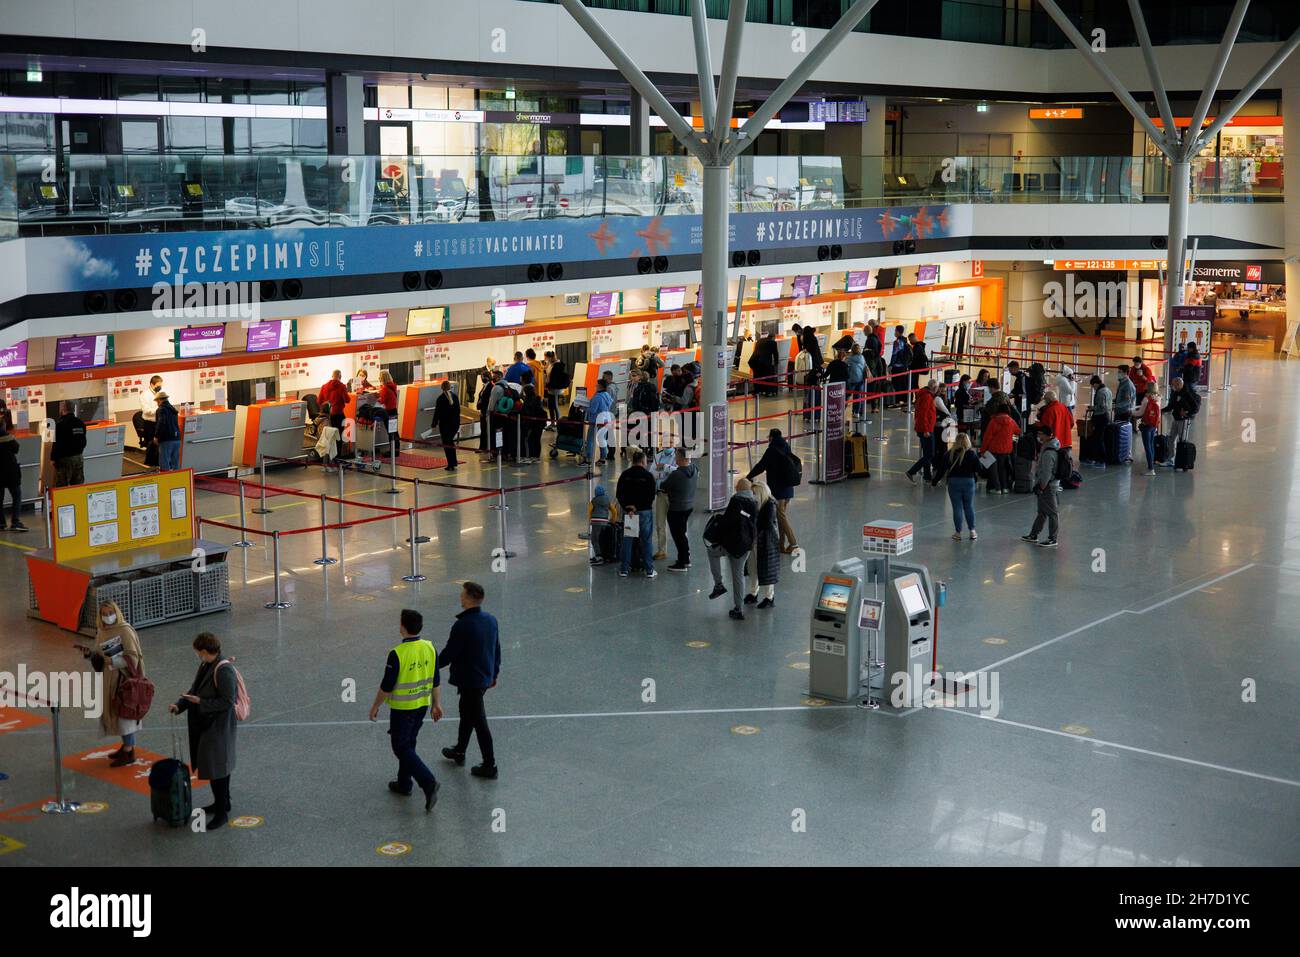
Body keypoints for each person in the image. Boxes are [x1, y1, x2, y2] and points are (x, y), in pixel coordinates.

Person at [368, 609, 441, 810]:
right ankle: (404, 783)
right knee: (409, 743)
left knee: (400, 747)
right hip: (421, 705)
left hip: (403, 708)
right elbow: (435, 679)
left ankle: (428, 781)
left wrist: (375, 706)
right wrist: (436, 703)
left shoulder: (397, 654)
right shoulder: (430, 647)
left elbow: (387, 685)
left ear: (403, 626)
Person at [168, 632, 239, 830]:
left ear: (207, 651)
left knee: (218, 768)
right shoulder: (206, 664)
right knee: (216, 766)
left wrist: (202, 702)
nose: (198, 656)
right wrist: (179, 705)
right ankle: (221, 803)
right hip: (208, 723)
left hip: (218, 726)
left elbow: (228, 701)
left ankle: (222, 811)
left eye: (199, 652)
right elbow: (195, 689)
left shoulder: (224, 670)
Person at [438, 582, 501, 780]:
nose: (460, 597)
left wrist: (429, 666)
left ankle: (489, 764)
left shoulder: (462, 625)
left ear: (468, 598)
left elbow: (449, 654)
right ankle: (460, 750)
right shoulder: (491, 620)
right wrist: (494, 675)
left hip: (470, 680)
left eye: (462, 594)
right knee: (467, 713)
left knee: (479, 721)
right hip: (484, 677)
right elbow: (496, 650)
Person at [84, 600, 145, 767]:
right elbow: (98, 652)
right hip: (108, 679)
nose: (107, 617)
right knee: (116, 713)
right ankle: (126, 745)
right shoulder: (102, 631)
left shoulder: (125, 630)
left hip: (123, 680)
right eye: (104, 614)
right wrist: (91, 655)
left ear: (116, 612)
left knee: (125, 714)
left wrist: (112, 661)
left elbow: (133, 657)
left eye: (110, 613)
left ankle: (129, 750)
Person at [704, 478, 757, 620]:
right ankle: (738, 609)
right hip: (746, 546)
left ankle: (718, 584)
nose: (734, 487)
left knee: (711, 551)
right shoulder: (754, 503)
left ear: (739, 488)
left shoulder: (736, 501)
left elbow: (727, 522)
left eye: (736, 486)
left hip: (731, 544)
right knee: (738, 576)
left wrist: (717, 530)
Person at [747, 429, 799, 554]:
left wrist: (748, 476)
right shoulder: (786, 446)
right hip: (788, 488)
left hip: (778, 489)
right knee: (780, 517)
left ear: (771, 437)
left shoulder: (771, 450)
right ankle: (781, 545)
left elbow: (761, 466)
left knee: (781, 516)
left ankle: (794, 543)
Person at [615, 450, 657, 579]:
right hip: (644, 512)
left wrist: (629, 509)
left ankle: (624, 569)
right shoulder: (648, 476)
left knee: (628, 540)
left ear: (632, 461)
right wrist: (638, 507)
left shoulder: (625, 475)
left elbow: (619, 495)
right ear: (643, 461)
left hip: (630, 514)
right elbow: (650, 496)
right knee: (646, 540)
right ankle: (649, 570)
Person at [1021, 424, 1061, 548]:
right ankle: (1034, 534)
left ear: (1047, 436)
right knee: (1042, 512)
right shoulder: (1048, 447)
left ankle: (1052, 538)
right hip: (1045, 485)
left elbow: (1046, 472)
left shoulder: (1049, 453)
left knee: (1052, 513)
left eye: (1040, 434)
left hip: (1048, 486)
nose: (1038, 436)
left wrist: (1042, 486)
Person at [744, 480, 781, 609]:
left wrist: (751, 517)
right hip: (755, 541)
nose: (752, 495)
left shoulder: (770, 505)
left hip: (766, 543)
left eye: (754, 493)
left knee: (766, 570)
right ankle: (753, 593)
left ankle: (769, 597)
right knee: (752, 568)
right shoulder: (758, 504)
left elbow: (765, 524)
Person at [938, 433, 980, 540]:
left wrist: (934, 482)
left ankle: (958, 533)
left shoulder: (949, 454)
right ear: (968, 441)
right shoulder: (972, 454)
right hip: (969, 482)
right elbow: (979, 469)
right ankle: (972, 531)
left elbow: (941, 470)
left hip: (953, 482)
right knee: (969, 506)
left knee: (957, 508)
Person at [660, 447, 697, 571]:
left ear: (681, 458)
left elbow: (663, 486)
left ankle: (682, 562)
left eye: (676, 456)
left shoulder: (676, 474)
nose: (675, 458)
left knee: (678, 536)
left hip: (676, 508)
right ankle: (686, 558)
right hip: (688, 506)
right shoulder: (694, 470)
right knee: (682, 534)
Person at [979, 398, 1021, 494]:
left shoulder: (993, 421)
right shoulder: (1011, 421)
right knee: (1003, 469)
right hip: (1006, 449)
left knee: (993, 470)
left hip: (994, 449)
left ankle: (997, 488)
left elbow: (987, 437)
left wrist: (982, 450)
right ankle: (1005, 487)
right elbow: (1018, 431)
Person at [1160, 376, 1200, 470]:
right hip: (1176, 419)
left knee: (1182, 441)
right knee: (1171, 439)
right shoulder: (1175, 393)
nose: (1172, 386)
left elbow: (1196, 408)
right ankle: (1171, 460)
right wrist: (1161, 410)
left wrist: (1187, 413)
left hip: (1184, 420)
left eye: (1173, 385)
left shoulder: (1187, 393)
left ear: (1178, 385)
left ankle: (1182, 462)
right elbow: (1171, 405)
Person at [906, 380, 940, 484]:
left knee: (926, 453)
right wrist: (926, 430)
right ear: (934, 388)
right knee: (930, 454)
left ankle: (927, 476)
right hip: (926, 429)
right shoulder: (927, 397)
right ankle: (912, 471)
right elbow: (923, 414)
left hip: (926, 428)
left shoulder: (924, 394)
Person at [1036, 387, 1075, 473]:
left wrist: (1037, 424)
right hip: (1067, 441)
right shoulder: (1064, 407)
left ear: (1048, 400)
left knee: (1053, 467)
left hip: (1055, 443)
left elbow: (1046, 428)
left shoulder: (1049, 411)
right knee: (1065, 465)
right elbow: (1072, 422)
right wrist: (1065, 430)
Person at [52, 402, 87, 487]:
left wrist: (53, 458)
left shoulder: (60, 425)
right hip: (79, 457)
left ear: (64, 409)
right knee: (78, 485)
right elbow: (83, 441)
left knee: (61, 486)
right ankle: (78, 499)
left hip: (65, 459)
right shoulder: (81, 423)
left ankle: (64, 500)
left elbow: (57, 444)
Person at [1081, 374, 1113, 467]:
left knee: (1098, 439)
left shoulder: (1100, 392)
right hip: (1106, 416)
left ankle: (1101, 460)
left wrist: (1092, 408)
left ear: (1095, 384)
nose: (1093, 388)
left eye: (1093, 386)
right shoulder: (1108, 390)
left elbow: (1101, 407)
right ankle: (1097, 459)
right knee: (1099, 438)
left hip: (1100, 417)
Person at [1133, 379, 1163, 475]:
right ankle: (1151, 465)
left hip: (1146, 424)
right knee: (1151, 445)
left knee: (1147, 447)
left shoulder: (1146, 399)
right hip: (1154, 424)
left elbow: (1140, 413)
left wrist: (1131, 412)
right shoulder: (1158, 398)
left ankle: (1151, 469)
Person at [0, 422, 26, 531]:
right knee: (16, 496)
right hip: (11, 472)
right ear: (3, 426)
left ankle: (1, 523)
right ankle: (15, 522)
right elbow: (16, 448)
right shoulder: (7, 436)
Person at [433, 380, 461, 472]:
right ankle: (454, 462)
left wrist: (434, 423)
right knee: (451, 442)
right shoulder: (455, 397)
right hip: (455, 424)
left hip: (445, 425)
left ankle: (450, 464)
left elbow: (437, 412)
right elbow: (458, 411)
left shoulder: (441, 398)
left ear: (442, 388)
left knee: (447, 444)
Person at [585, 378, 614, 465]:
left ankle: (588, 458)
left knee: (590, 439)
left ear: (600, 386)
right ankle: (603, 457)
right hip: (606, 419)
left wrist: (584, 408)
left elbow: (593, 410)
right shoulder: (607, 395)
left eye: (597, 385)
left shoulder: (597, 397)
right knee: (602, 438)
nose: (595, 386)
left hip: (596, 421)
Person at [153, 391, 181, 471]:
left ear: (159, 400)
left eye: (156, 401)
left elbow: (161, 423)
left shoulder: (161, 409)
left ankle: (166, 481)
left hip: (166, 439)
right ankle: (178, 479)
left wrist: (156, 436)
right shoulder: (173, 409)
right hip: (177, 438)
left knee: (164, 462)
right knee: (176, 462)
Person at [520, 384, 545, 463]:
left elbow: (524, 411)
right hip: (540, 423)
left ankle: (530, 456)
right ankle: (536, 457)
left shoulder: (528, 400)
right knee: (536, 439)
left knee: (530, 440)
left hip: (533, 423)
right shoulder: (537, 399)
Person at [543, 351, 569, 424]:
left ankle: (558, 423)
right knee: (550, 406)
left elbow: (554, 378)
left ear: (550, 357)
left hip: (555, 388)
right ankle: (552, 423)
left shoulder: (557, 365)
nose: (545, 359)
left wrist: (548, 385)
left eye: (546, 357)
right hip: (551, 388)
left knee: (555, 406)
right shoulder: (551, 364)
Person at [138, 374, 162, 451]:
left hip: (158, 423)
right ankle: (150, 462)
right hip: (149, 424)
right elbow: (146, 410)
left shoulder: (159, 394)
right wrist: (159, 409)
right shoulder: (145, 395)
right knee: (152, 446)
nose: (159, 387)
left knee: (160, 445)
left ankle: (158, 461)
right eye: (158, 385)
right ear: (152, 384)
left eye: (160, 385)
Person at [845, 342, 866, 424]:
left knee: (847, 396)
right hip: (861, 380)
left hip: (852, 380)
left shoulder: (849, 359)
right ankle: (856, 412)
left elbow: (845, 368)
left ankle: (842, 410)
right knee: (858, 397)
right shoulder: (862, 358)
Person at [475, 371, 494, 455]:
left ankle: (484, 447)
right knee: (483, 430)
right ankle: (483, 447)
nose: (482, 379)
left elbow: (487, 401)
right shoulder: (485, 387)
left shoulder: (490, 387)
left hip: (486, 413)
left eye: (482, 377)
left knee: (485, 430)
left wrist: (484, 411)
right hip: (482, 412)